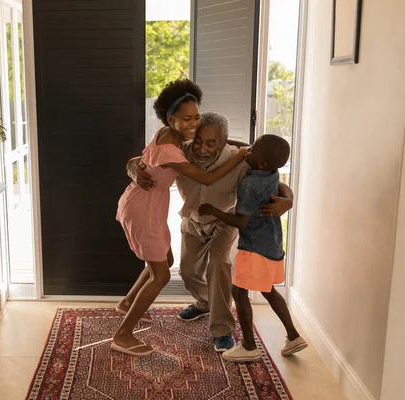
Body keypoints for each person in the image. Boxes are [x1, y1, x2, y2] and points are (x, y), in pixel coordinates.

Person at [125, 111, 294, 353]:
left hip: (223, 220)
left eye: (211, 143)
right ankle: (205, 302)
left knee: (218, 265)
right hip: (192, 219)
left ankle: (223, 329)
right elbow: (142, 160)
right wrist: (132, 168)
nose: (202, 149)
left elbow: (276, 182)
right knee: (188, 271)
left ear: (224, 142)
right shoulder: (180, 151)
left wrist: (288, 200)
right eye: (199, 141)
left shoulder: (241, 159)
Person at [112, 79, 249, 356]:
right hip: (145, 208)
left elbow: (143, 159)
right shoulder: (175, 150)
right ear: (171, 119)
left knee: (174, 262)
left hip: (155, 205)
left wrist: (236, 146)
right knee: (164, 273)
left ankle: (129, 303)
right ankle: (123, 335)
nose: (194, 125)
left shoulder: (168, 134)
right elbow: (206, 177)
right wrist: (241, 155)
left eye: (196, 117)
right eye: (187, 119)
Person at [199, 134, 307, 362]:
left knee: (239, 291)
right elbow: (247, 150)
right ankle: (294, 335)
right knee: (268, 289)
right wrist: (234, 144)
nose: (247, 151)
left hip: (254, 246)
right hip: (273, 243)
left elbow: (241, 222)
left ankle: (249, 346)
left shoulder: (249, 184)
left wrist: (213, 210)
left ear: (262, 162)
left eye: (253, 150)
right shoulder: (271, 172)